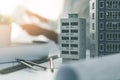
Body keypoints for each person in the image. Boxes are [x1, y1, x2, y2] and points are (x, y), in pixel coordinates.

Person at [19, 0, 89, 44]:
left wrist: (43, 32)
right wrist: (37, 16)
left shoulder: (86, 3)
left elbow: (88, 40)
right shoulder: (68, 2)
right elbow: (58, 24)